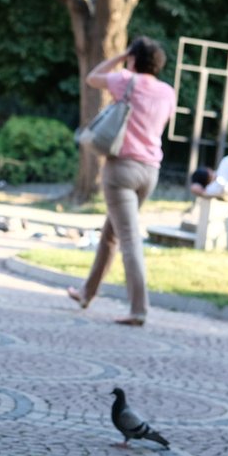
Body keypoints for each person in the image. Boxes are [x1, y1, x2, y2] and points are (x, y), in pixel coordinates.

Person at [65, 37, 177, 327]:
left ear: (133, 58)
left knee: (128, 239)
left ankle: (139, 309)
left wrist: (119, 57)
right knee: (111, 235)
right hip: (150, 172)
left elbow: (92, 78)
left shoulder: (126, 80)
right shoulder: (167, 91)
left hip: (121, 171)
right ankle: (86, 293)